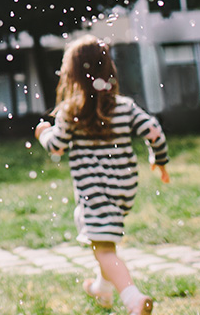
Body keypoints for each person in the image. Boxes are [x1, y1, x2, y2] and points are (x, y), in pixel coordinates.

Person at [35, 35, 169, 315]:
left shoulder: (71, 112)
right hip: (122, 187)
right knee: (102, 240)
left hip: (94, 191)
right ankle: (102, 290)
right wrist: (160, 159)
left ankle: (133, 298)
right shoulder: (124, 107)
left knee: (104, 249)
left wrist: (43, 133)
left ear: (70, 74)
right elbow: (154, 130)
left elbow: (57, 147)